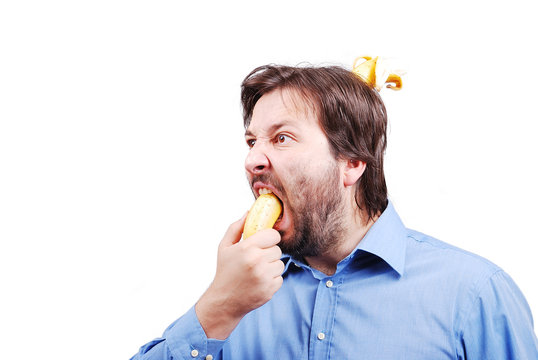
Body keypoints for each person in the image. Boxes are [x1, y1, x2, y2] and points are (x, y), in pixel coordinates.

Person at [131, 62, 538, 359]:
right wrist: (218, 308)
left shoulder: (474, 294)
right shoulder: (239, 299)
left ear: (352, 162)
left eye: (282, 138)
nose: (253, 159)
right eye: (251, 140)